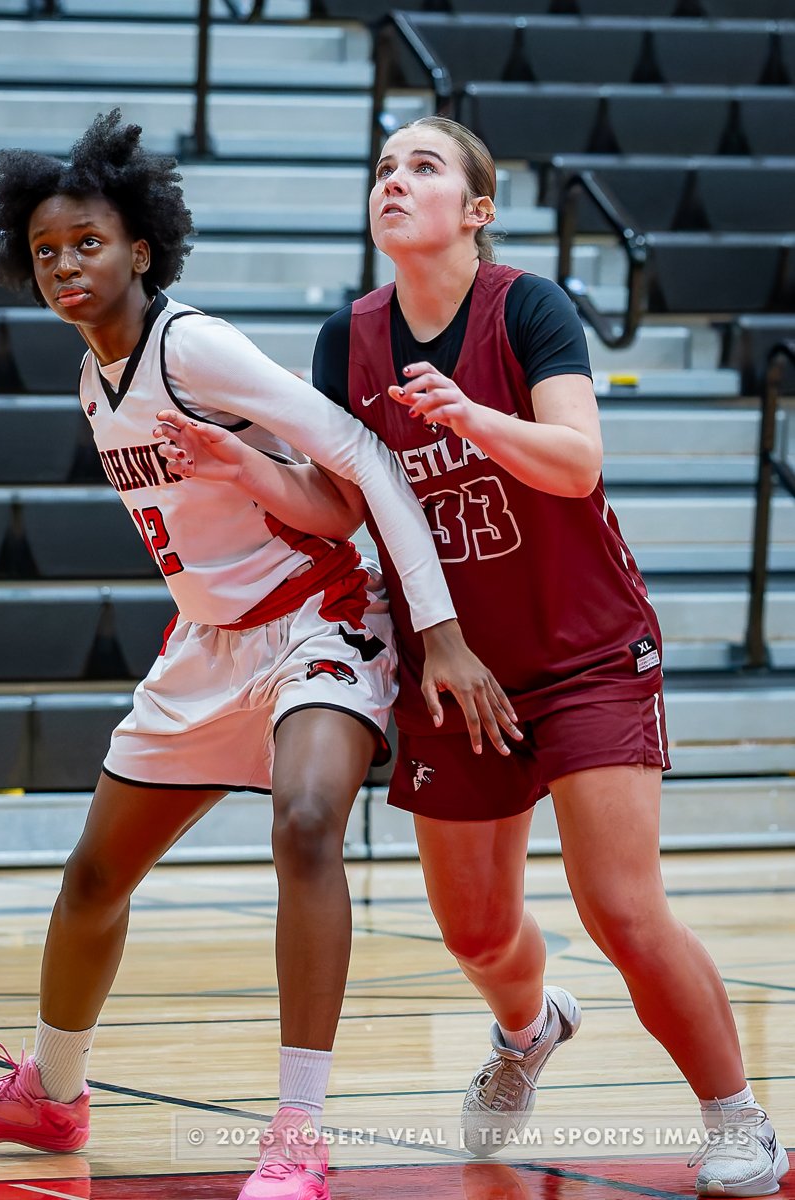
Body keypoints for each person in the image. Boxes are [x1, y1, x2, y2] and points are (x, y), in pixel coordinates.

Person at [159, 116, 788, 1199]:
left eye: (423, 166)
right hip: (449, 669)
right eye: (383, 168)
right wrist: (240, 465)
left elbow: (577, 462)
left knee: (619, 906)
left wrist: (469, 416)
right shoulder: (348, 339)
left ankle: (739, 1118)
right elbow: (338, 506)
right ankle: (529, 1030)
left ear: (477, 209)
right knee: (478, 931)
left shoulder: (527, 307)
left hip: (584, 652)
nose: (394, 181)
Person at [0, 111, 518, 1200]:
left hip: (321, 617)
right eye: (45, 251)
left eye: (88, 242)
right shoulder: (92, 382)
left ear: (140, 248)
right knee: (95, 875)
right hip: (206, 645)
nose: (66, 265)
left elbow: (363, 458)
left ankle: (298, 1133)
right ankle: (52, 1092)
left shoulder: (190, 346)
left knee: (307, 823)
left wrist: (439, 633)